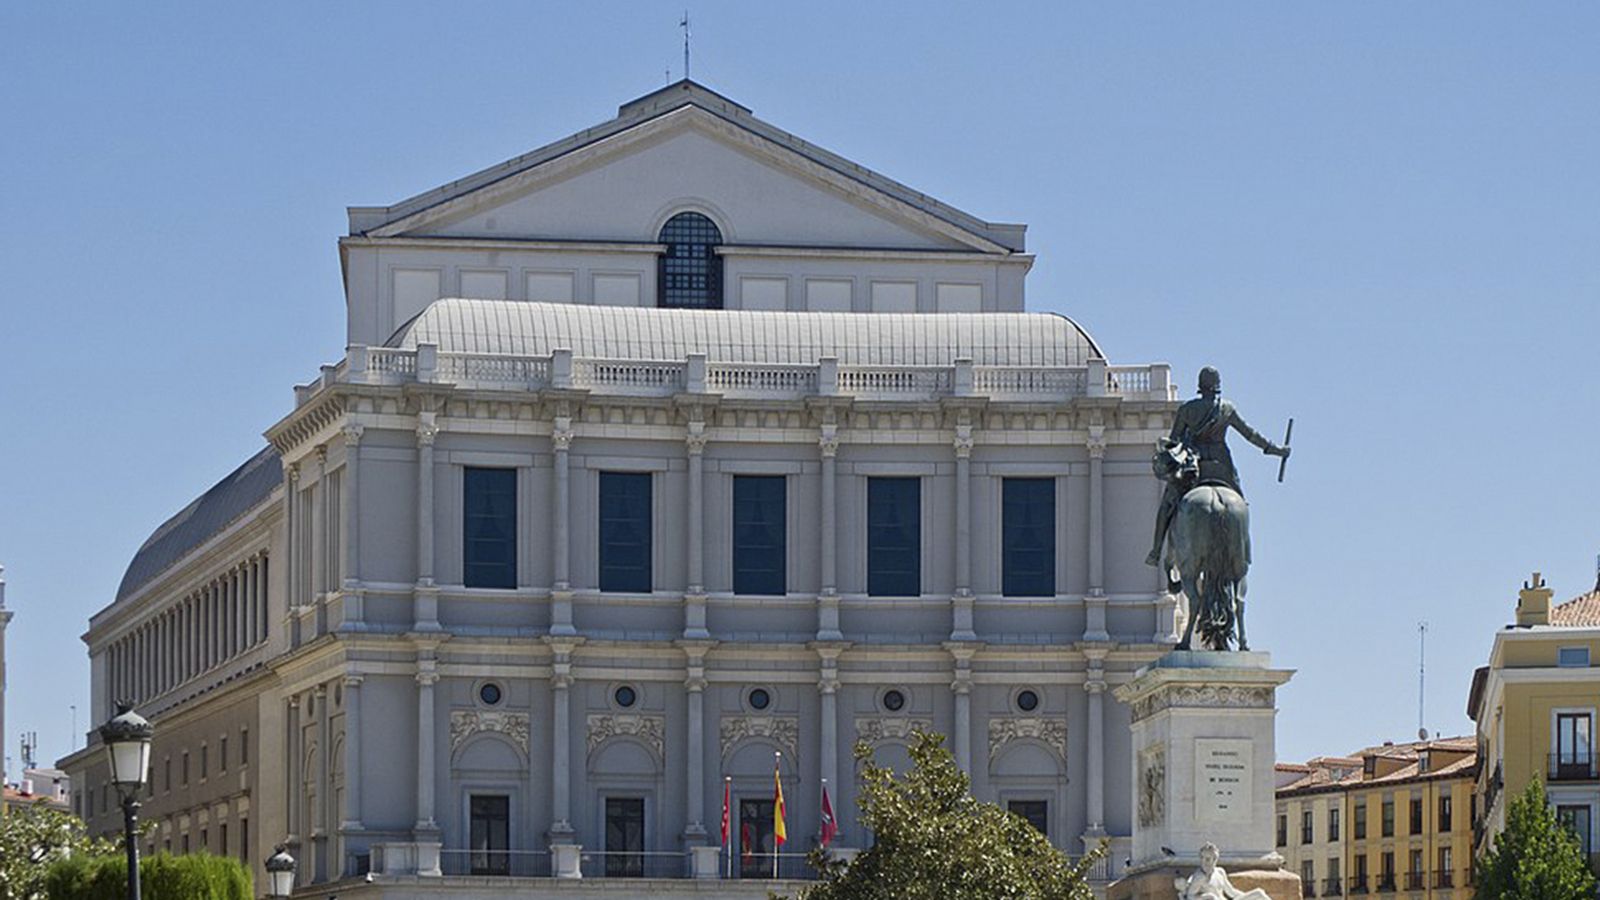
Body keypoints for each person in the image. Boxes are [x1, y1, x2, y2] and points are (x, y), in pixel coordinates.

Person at [1146, 367, 1289, 567]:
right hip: (1222, 466)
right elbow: (1250, 434)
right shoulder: (1227, 408)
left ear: (1200, 386)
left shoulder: (1187, 409)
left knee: (1167, 505)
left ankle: (1155, 551)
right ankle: (1244, 551)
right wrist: (1276, 450)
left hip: (1194, 468)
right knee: (1241, 504)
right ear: (1217, 386)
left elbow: (1174, 442)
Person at [1174, 843, 1271, 900]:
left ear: (1215, 859)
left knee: (1259, 894)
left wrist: (1246, 897)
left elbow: (1231, 892)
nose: (1203, 862)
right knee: (1259, 894)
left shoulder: (1220, 872)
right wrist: (1208, 897)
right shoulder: (1199, 876)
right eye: (1202, 858)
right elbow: (1190, 896)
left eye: (1207, 859)